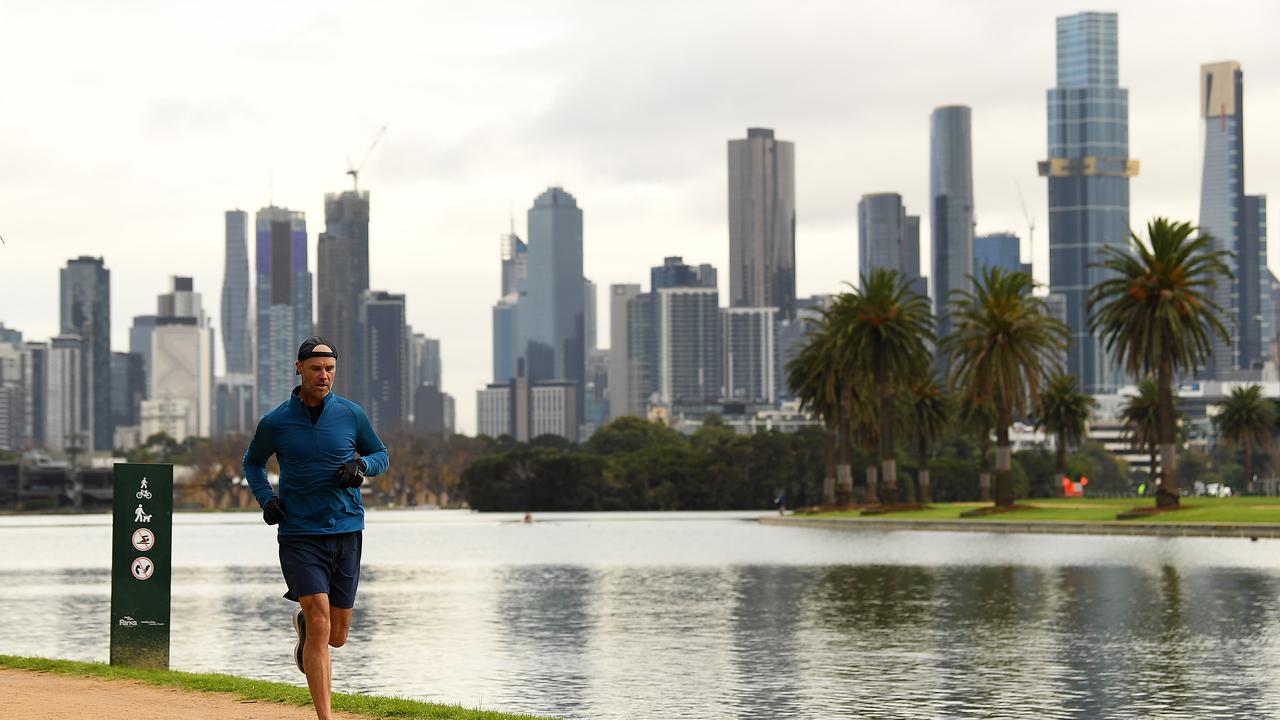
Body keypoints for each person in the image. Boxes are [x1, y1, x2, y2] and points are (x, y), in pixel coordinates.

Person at [243, 337, 389, 720]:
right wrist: (266, 499)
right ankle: (326, 717)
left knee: (336, 635)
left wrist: (362, 468)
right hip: (299, 533)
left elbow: (381, 454)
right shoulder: (275, 422)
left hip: (346, 529)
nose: (324, 376)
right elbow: (253, 462)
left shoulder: (350, 414)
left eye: (330, 370)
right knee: (321, 615)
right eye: (316, 369)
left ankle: (306, 629)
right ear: (298, 368)